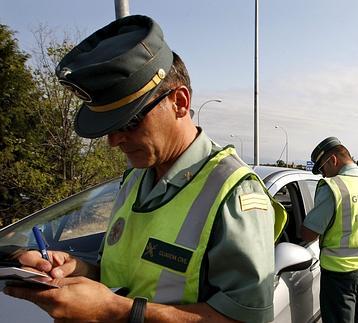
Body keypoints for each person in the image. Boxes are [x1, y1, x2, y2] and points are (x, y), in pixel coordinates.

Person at [3, 15, 286, 323]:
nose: (114, 141)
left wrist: (114, 311)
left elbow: (247, 318)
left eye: (129, 122)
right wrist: (77, 268)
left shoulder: (234, 193)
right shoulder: (135, 178)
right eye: (108, 127)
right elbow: (123, 272)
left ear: (179, 101)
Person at [301, 137, 358, 323]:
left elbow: (308, 234)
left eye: (323, 169)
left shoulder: (334, 187)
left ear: (333, 160)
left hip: (340, 274)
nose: (324, 175)